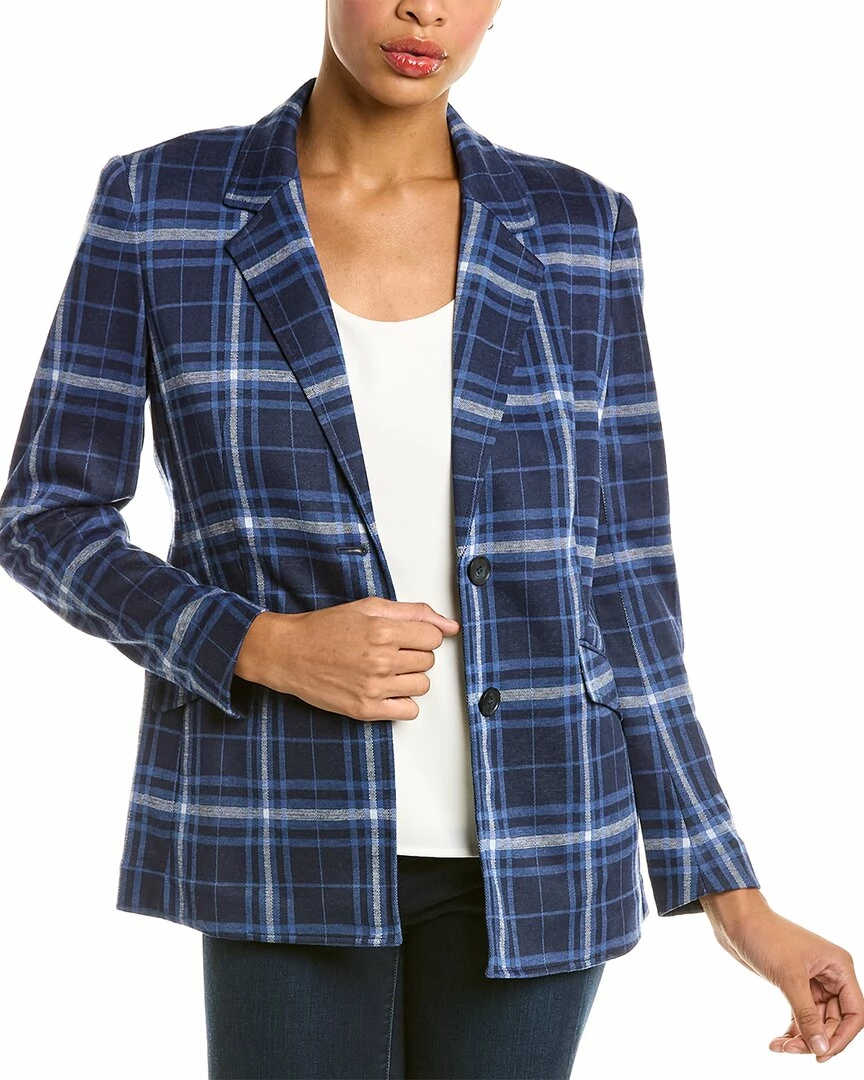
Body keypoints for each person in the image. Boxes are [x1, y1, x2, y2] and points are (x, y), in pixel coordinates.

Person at [0, 1, 861, 1078]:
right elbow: (46, 512)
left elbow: (626, 582)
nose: (426, 9)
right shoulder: (162, 202)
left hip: (545, 844)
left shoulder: (581, 226)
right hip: (278, 829)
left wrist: (740, 902)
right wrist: (258, 644)